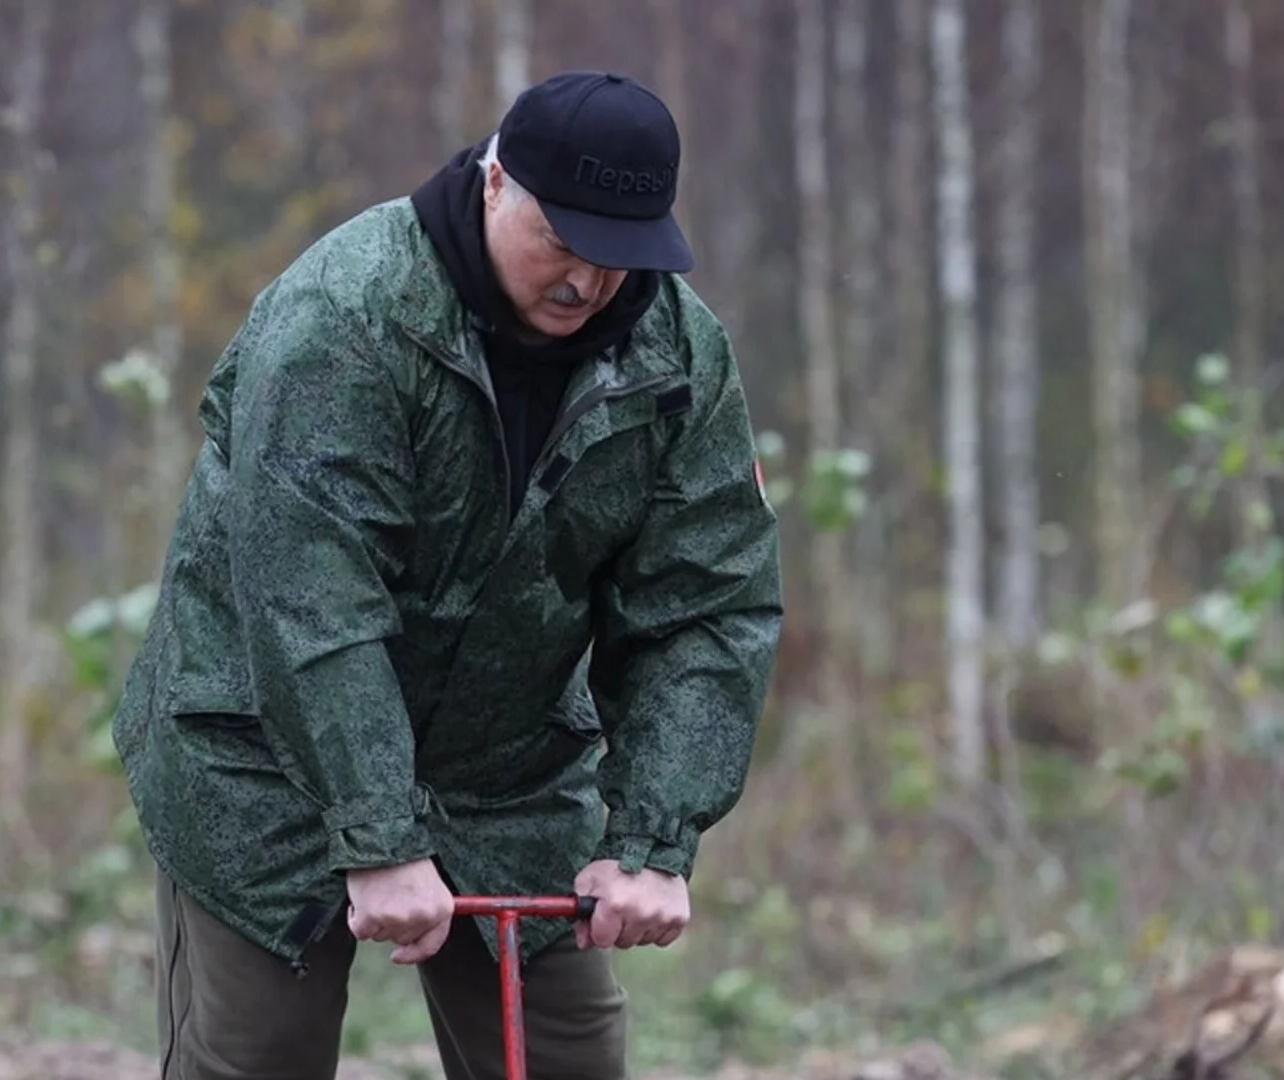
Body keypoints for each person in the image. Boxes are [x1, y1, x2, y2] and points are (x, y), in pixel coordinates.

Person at [111, 68, 784, 1080]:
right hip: (264, 755)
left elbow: (707, 605)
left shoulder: (677, 353)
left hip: (508, 762)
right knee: (259, 1056)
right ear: (496, 184)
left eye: (620, 256)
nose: (589, 282)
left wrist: (655, 836)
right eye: (564, 241)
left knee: (565, 1059)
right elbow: (311, 604)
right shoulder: (344, 319)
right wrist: (379, 838)